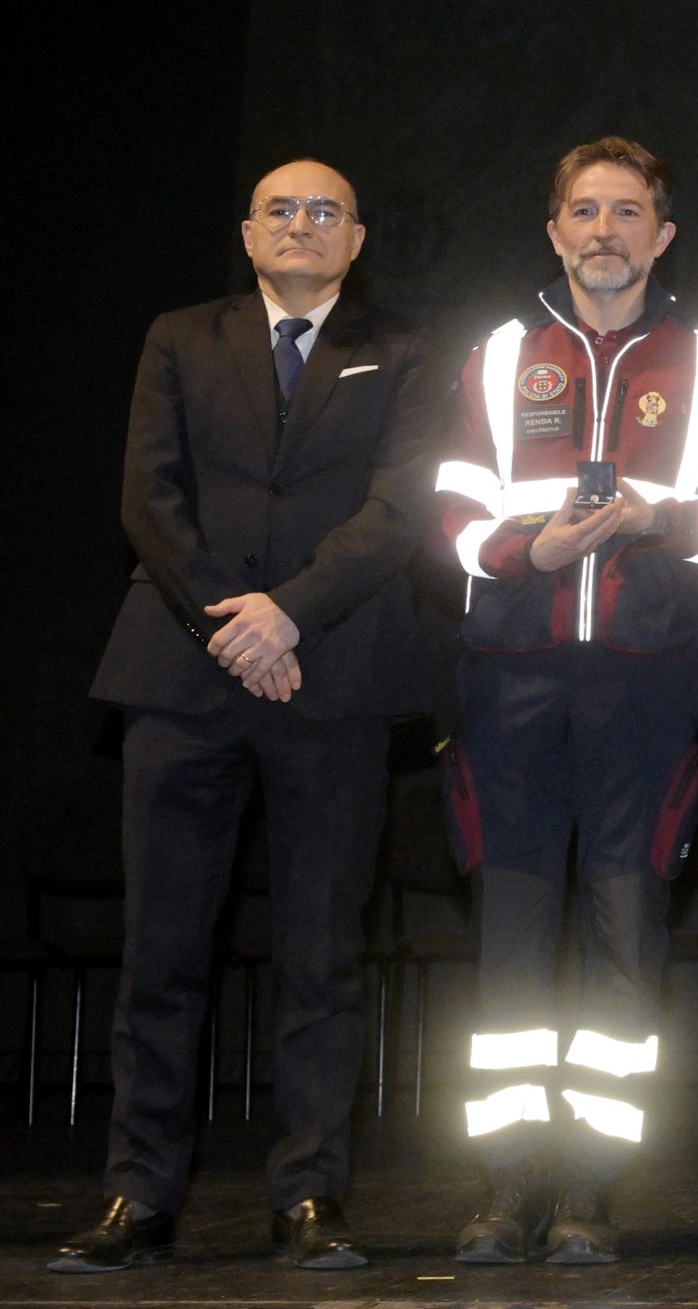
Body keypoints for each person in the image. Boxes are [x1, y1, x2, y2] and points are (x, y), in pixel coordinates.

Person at [59, 162, 439, 1274]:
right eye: (282, 208)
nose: (302, 224)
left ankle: (310, 1196)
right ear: (247, 231)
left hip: (335, 672)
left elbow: (402, 503)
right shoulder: (181, 335)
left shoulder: (409, 348)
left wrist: (291, 614)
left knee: (323, 954)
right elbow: (149, 497)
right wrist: (234, 622)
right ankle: (139, 1197)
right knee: (163, 953)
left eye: (325, 211)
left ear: (357, 237)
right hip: (183, 670)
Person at [433, 137, 698, 1266]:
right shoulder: (496, 356)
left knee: (628, 931)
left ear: (662, 234)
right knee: (512, 938)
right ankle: (502, 1189)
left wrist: (658, 522)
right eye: (583, 211)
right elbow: (444, 510)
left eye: (626, 212)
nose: (604, 232)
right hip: (509, 682)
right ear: (553, 230)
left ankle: (590, 1190)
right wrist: (527, 544)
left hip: (649, 678)